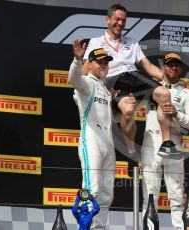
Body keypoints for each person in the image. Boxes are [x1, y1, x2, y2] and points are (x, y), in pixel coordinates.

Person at [82, 4, 182, 175]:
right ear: (108, 20)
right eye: (117, 19)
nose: (120, 23)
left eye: (123, 20)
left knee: (165, 93)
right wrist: (85, 84)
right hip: (113, 79)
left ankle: (167, 144)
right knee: (128, 111)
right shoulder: (96, 42)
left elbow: (148, 67)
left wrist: (171, 80)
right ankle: (131, 153)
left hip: (135, 76)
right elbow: (86, 70)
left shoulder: (132, 41)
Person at [141, 53, 189, 229]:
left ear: (181, 68)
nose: (173, 68)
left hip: (174, 143)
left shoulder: (187, 94)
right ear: (163, 68)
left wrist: (177, 114)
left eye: (176, 65)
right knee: (149, 196)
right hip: (150, 142)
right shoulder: (151, 87)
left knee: (176, 196)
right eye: (169, 65)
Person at [68, 39, 116, 229]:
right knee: (92, 189)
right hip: (92, 142)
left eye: (106, 62)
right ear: (91, 64)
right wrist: (77, 60)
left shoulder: (105, 89)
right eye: (99, 62)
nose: (103, 65)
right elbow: (73, 79)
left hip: (108, 144)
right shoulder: (87, 82)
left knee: (106, 194)